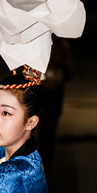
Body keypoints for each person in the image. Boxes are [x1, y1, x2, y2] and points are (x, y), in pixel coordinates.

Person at [36, 36, 72, 176]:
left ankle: (45, 169)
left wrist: (58, 68)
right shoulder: (37, 42)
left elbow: (69, 71)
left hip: (54, 94)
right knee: (29, 133)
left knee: (48, 134)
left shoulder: (62, 45)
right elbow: (27, 70)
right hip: (38, 91)